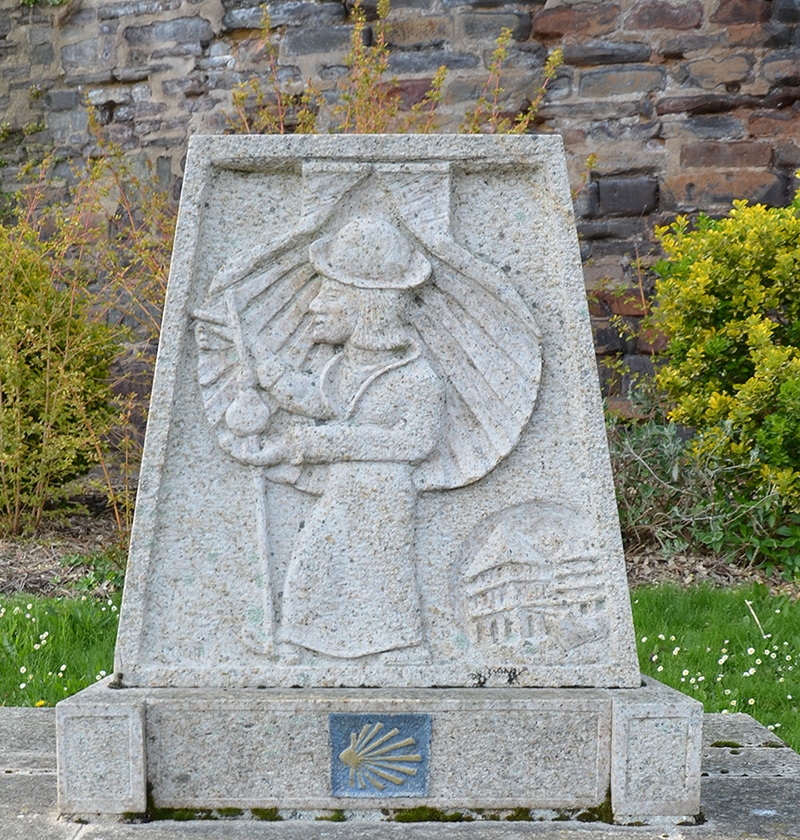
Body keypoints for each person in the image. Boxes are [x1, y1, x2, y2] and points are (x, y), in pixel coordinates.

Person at [244, 218, 446, 660]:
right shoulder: (343, 367)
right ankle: (302, 642)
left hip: (383, 498)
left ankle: (398, 648)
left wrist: (317, 444)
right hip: (341, 492)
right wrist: (269, 372)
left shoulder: (417, 376)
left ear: (366, 307)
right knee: (315, 564)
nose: (313, 305)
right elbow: (318, 399)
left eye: (330, 295)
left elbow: (415, 443)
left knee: (382, 574)